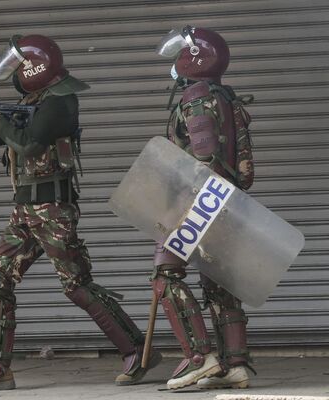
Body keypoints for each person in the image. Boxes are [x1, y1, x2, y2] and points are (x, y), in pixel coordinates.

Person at [0, 34, 161, 391]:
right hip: (25, 211)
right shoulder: (33, 101)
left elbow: (28, 145)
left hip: (53, 210)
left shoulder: (60, 102)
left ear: (35, 67)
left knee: (76, 285)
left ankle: (137, 350)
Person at [153, 26, 256, 390]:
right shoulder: (229, 100)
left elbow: (204, 156)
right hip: (228, 201)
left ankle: (198, 358)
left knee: (165, 275)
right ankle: (235, 364)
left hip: (199, 200)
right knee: (220, 283)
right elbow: (245, 171)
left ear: (193, 58)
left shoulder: (195, 98)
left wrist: (183, 208)